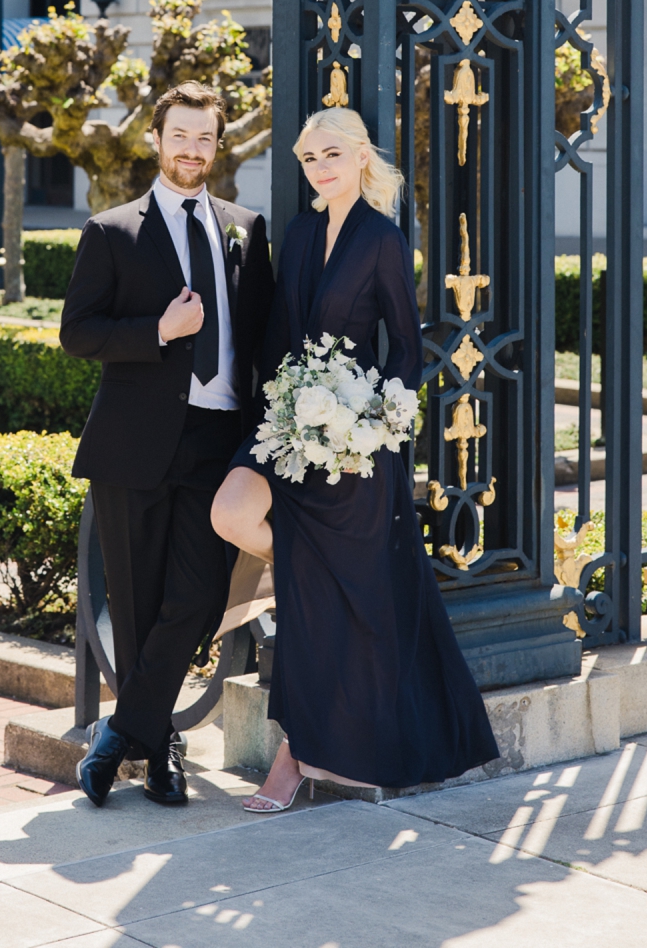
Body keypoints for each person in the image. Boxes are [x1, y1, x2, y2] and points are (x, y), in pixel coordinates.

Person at [211, 107, 499, 809]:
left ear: (361, 156)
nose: (319, 168)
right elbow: (280, 334)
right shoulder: (302, 232)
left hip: (357, 442)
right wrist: (269, 417)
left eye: (330, 153)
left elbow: (404, 346)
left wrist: (377, 421)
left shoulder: (382, 238)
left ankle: (296, 757)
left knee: (328, 602)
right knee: (230, 512)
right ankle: (307, 568)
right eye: (307, 159)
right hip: (287, 426)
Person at [60, 81, 275, 809]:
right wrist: (158, 331)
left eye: (205, 137)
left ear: (219, 143)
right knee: (141, 605)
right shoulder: (111, 231)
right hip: (133, 448)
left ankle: (121, 734)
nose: (192, 149)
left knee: (200, 598)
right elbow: (78, 334)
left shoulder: (247, 227)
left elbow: (262, 339)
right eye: (179, 136)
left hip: (218, 445)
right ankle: (160, 755)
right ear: (157, 139)